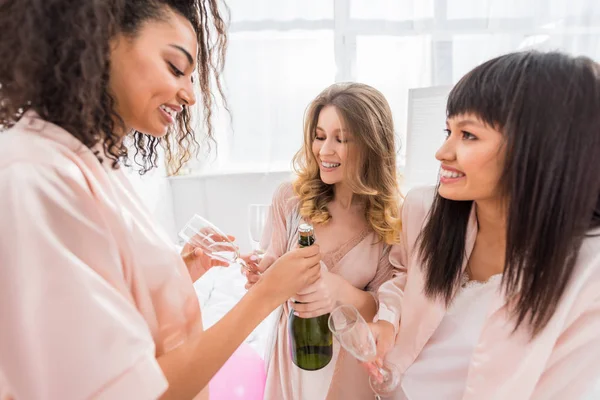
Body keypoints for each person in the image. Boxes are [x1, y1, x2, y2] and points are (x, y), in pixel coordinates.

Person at [0, 1, 322, 399]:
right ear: (101, 40)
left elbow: (103, 305)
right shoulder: (37, 176)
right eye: (174, 67)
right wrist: (266, 295)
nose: (189, 95)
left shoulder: (93, 161)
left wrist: (174, 275)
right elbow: (129, 388)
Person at [370, 51, 600, 399]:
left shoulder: (587, 272)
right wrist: (387, 320)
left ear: (537, 148)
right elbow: (405, 279)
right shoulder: (423, 210)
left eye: (469, 135)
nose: (443, 152)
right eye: (449, 130)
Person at [244, 82, 403, 399]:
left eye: (341, 139)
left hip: (348, 367)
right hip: (292, 356)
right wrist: (261, 272)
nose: (324, 150)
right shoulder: (290, 199)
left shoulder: (389, 221)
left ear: (371, 145)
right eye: (319, 136)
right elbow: (272, 260)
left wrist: (339, 292)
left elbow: (387, 311)